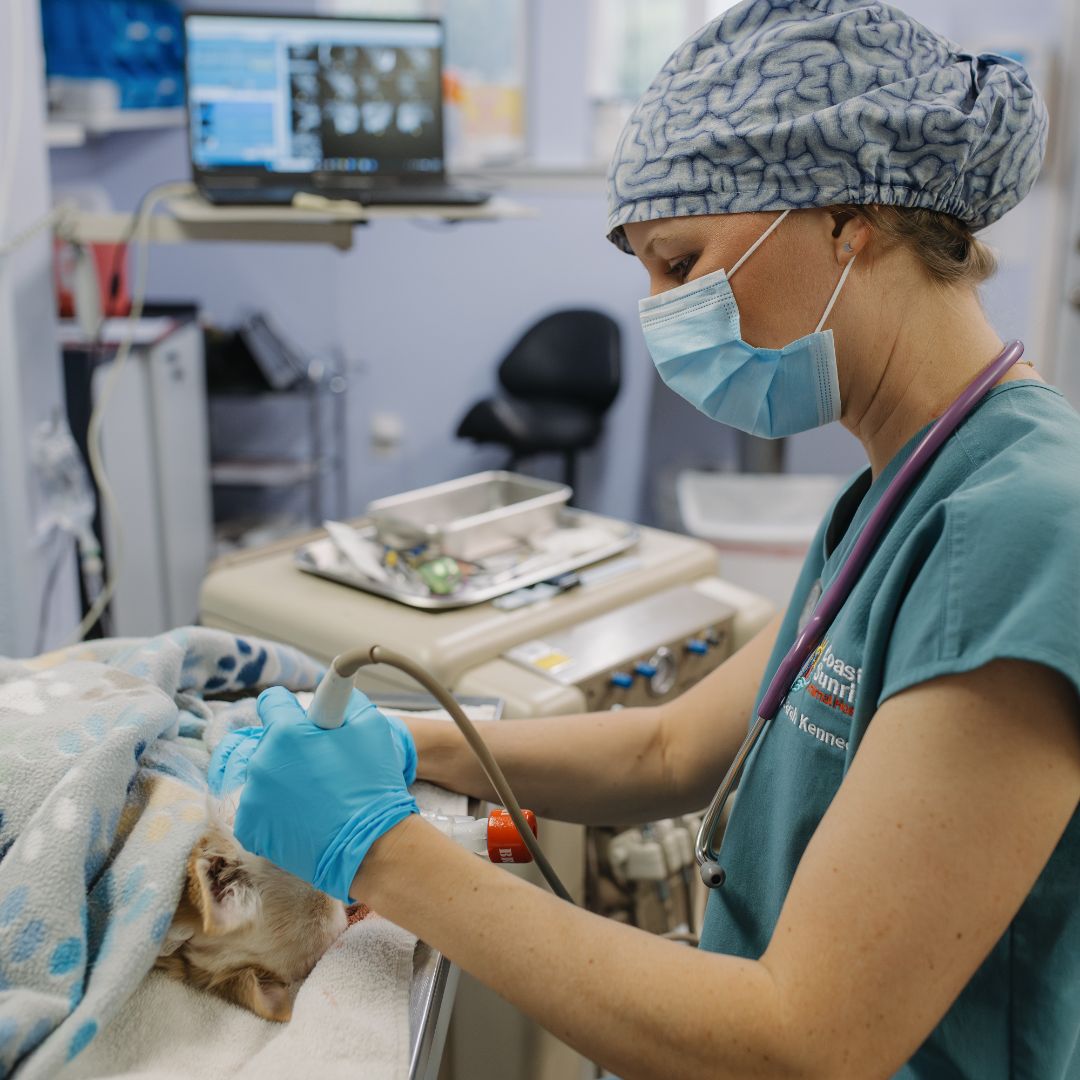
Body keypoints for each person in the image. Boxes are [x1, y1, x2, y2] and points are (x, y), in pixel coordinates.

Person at [227, 2, 1080, 1076]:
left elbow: (805, 1038)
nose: (659, 311)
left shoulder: (1026, 526)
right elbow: (668, 748)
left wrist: (381, 853)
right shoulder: (897, 487)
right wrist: (408, 747)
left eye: (681, 264)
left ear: (848, 219)